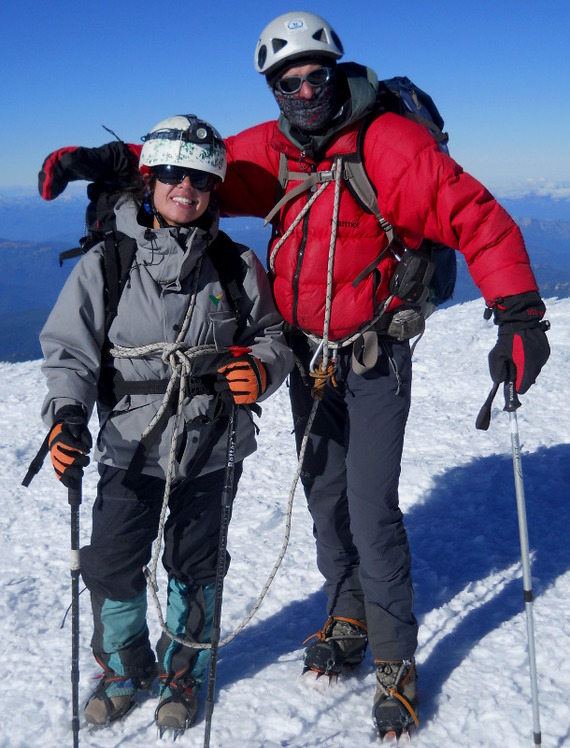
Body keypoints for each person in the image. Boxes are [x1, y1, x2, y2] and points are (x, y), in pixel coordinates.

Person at [37, 11, 551, 739]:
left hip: (373, 356)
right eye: (289, 81)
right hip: (307, 361)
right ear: (274, 87)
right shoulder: (275, 150)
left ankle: (395, 663)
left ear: (336, 73)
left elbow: (473, 215)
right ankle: (347, 613)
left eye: (316, 76)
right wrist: (109, 162)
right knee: (325, 496)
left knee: (370, 509)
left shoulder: (390, 144)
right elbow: (192, 164)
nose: (305, 90)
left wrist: (520, 316)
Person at [39, 114, 293, 733]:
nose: (187, 187)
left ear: (214, 189)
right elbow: (70, 350)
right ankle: (126, 667)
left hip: (212, 440)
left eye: (201, 178)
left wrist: (261, 370)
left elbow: (272, 336)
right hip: (130, 438)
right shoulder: (110, 261)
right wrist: (66, 416)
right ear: (149, 181)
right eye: (173, 174)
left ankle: (185, 672)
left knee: (196, 562)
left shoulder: (233, 265)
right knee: (113, 561)